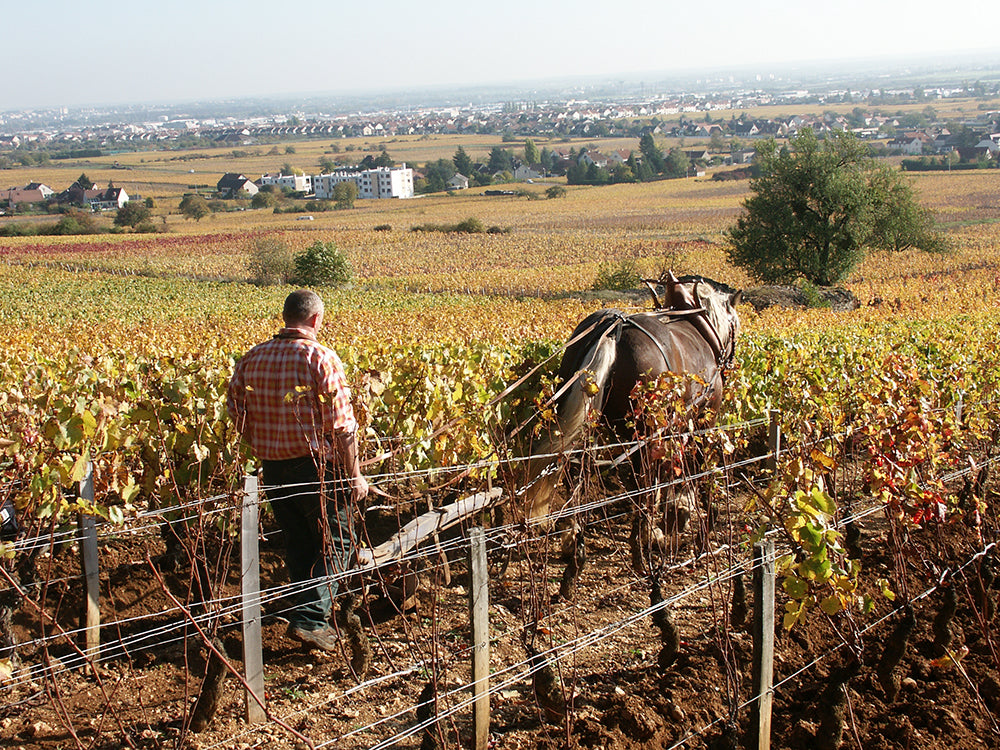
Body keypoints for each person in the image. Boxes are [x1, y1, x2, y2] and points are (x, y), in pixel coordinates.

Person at [227, 289, 369, 651]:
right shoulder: (320, 357)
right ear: (317, 319)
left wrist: (266, 443)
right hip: (316, 469)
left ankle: (311, 619)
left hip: (273, 469)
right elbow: (342, 426)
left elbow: (236, 413)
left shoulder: (252, 358)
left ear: (286, 315)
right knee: (339, 543)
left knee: (300, 545)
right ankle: (309, 620)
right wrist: (354, 474)